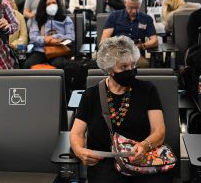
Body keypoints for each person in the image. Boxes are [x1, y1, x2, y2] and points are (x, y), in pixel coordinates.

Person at [70, 35, 170, 183]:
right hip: (105, 165)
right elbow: (76, 133)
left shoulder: (147, 90)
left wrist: (144, 145)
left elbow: (159, 131)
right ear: (109, 70)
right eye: (123, 67)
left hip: (143, 161)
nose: (130, 71)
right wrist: (79, 151)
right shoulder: (91, 95)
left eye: (132, 66)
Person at [101, 0, 157, 68]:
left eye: (137, 8)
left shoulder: (146, 19)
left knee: (143, 64)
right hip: (117, 53)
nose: (134, 11)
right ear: (125, 3)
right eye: (131, 7)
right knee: (118, 65)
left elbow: (154, 40)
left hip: (135, 55)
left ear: (140, 4)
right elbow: (104, 40)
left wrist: (143, 45)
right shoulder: (114, 16)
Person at [23, 0, 75, 69]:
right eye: (48, 4)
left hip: (58, 50)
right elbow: (33, 37)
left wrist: (54, 38)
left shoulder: (65, 19)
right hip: (40, 50)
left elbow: (71, 37)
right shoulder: (37, 19)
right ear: (43, 6)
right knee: (27, 65)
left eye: (54, 3)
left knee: (60, 65)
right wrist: (45, 40)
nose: (52, 5)